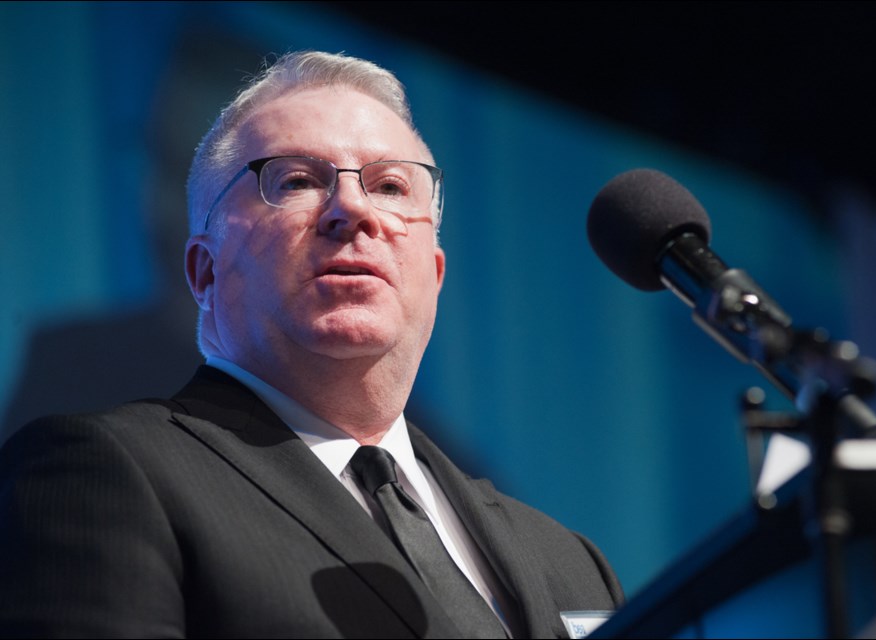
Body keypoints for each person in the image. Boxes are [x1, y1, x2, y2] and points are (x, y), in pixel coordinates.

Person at [0, 51, 623, 638]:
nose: (353, 209)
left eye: (389, 187)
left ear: (434, 275)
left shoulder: (568, 563)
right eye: (297, 180)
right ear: (204, 273)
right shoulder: (106, 471)